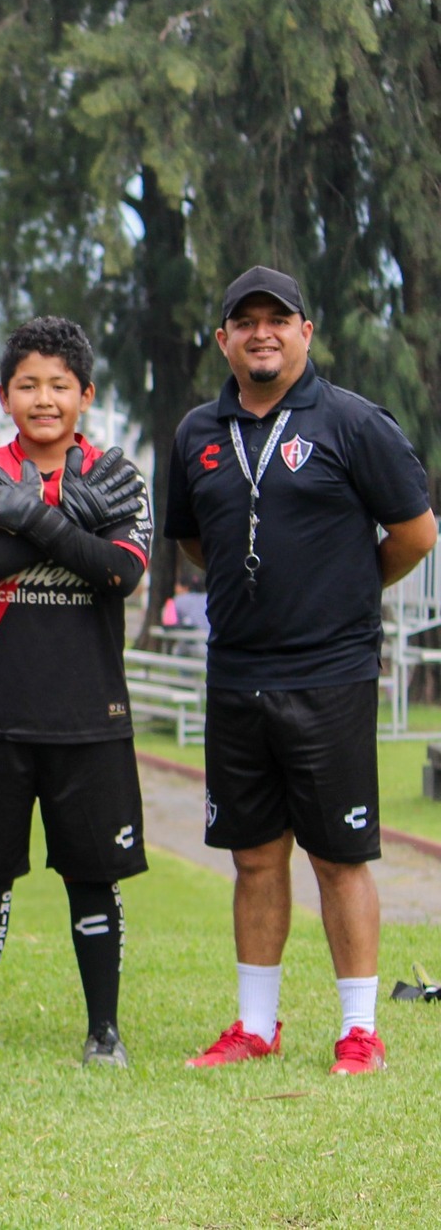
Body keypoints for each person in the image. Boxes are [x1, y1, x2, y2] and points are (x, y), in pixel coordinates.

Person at [168, 266, 436, 1075]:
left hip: (331, 672)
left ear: (305, 332)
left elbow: (415, 533)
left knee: (339, 854)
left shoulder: (354, 423)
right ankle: (256, 1024)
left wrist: (346, 590)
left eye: (277, 319)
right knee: (253, 854)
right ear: (223, 339)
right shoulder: (195, 434)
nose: (261, 333)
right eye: (243, 322)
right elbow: (192, 541)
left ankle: (359, 1029)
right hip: (236, 673)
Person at [0, 316, 153, 1065]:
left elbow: (119, 573)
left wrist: (31, 521)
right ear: (3, 395)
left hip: (90, 715)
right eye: (28, 384)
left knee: (94, 877)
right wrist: (64, 521)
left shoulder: (118, 472)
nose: (44, 397)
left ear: (85, 394)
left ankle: (105, 1033)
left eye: (60, 384)